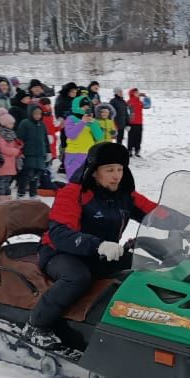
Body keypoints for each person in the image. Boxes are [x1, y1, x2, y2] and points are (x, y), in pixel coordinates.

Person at [25, 142, 162, 348]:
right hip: (59, 252)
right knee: (77, 277)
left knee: (146, 267)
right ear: (94, 172)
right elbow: (60, 234)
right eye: (109, 170)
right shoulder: (74, 193)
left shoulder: (124, 195)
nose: (116, 176)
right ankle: (37, 325)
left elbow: (155, 212)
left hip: (103, 252)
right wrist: (98, 245)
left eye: (120, 169)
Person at [15, 103, 50, 198]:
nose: (37, 116)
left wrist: (48, 151)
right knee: (26, 175)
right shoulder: (25, 123)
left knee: (36, 175)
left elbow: (45, 139)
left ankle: (33, 193)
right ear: (31, 113)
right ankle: (21, 193)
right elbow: (19, 139)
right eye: (35, 113)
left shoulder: (42, 125)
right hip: (28, 154)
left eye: (39, 114)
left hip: (40, 155)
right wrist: (20, 152)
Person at [62, 97, 101, 178]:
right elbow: (71, 134)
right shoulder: (71, 119)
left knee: (88, 182)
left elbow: (99, 137)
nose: (86, 109)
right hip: (73, 154)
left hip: (89, 155)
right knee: (74, 180)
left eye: (88, 107)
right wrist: (82, 122)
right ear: (77, 107)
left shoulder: (92, 121)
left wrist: (93, 124)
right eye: (83, 107)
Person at [0, 109, 23, 202]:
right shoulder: (1, 135)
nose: (12, 125)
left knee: (7, 180)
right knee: (1, 180)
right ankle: (0, 195)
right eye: (10, 124)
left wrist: (19, 145)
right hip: (3, 162)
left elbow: (13, 145)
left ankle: (7, 194)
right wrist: (16, 151)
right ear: (4, 124)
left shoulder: (11, 134)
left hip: (10, 162)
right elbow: (3, 149)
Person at [125, 87, 145, 158]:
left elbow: (148, 105)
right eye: (136, 92)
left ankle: (137, 150)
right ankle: (129, 150)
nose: (138, 93)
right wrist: (126, 123)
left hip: (139, 123)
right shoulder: (129, 102)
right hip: (132, 123)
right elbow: (126, 112)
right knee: (131, 137)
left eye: (138, 92)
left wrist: (145, 97)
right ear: (132, 94)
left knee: (138, 137)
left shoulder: (140, 102)